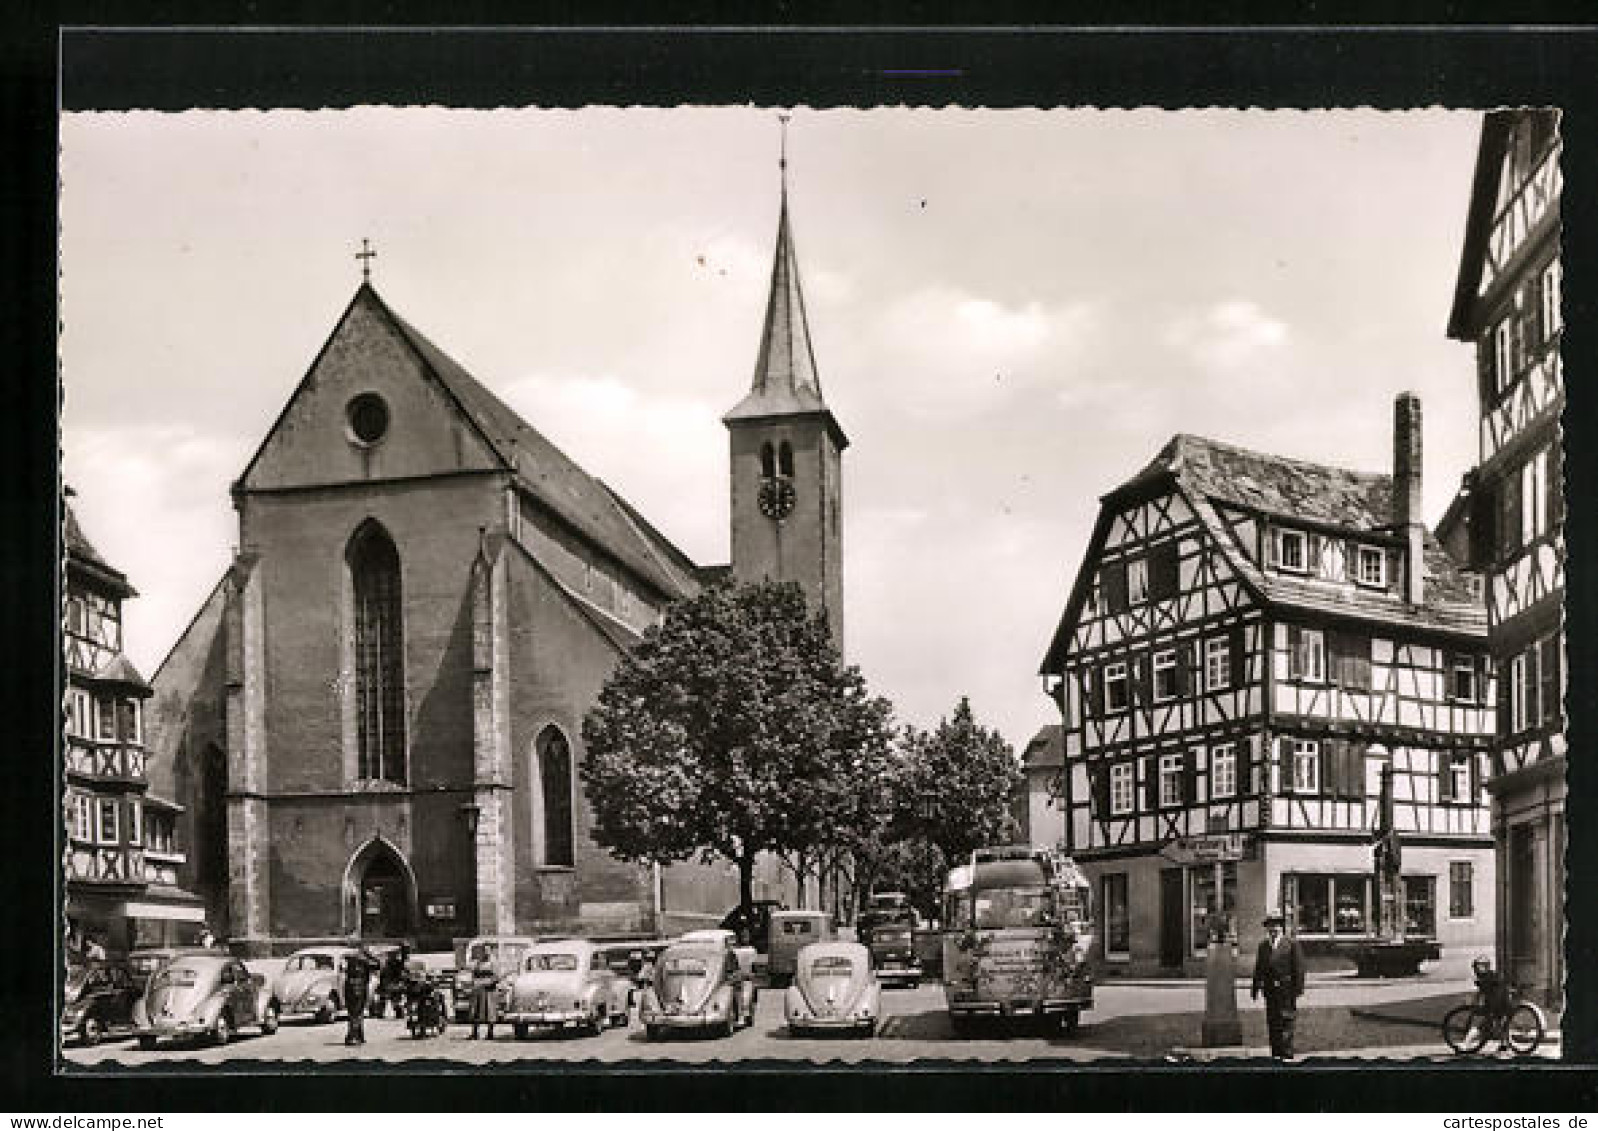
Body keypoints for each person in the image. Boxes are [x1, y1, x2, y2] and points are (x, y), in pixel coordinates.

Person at [1250, 912, 1306, 1061]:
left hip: (1286, 989)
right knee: (1273, 1020)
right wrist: (1255, 987)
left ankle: (1286, 1053)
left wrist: (1298, 989)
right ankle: (1275, 1052)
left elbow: (1299, 968)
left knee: (1286, 1020)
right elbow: (1259, 968)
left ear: (1281, 927)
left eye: (1276, 925)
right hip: (1270, 990)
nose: (1273, 929)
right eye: (1270, 926)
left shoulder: (1291, 944)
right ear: (1267, 928)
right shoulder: (1263, 946)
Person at [1465, 956, 1513, 1050]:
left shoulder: (1484, 979)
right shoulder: (1494, 975)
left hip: (1495, 1004)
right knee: (1501, 1022)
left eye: (1476, 968)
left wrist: (1474, 1003)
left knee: (1483, 1025)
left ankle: (1466, 1043)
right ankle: (1504, 1044)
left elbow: (1481, 993)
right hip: (1505, 1002)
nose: (1476, 971)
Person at [342, 941, 377, 1046]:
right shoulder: (363, 960)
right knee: (357, 1012)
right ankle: (353, 1036)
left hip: (350, 986)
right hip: (359, 987)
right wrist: (370, 955)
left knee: (354, 1012)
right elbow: (377, 965)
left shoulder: (349, 958)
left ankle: (358, 1035)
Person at [467, 950, 499, 1040]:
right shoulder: (478, 963)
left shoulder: (493, 962)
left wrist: (487, 982)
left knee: (490, 1011)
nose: (485, 953)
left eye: (487, 950)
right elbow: (474, 974)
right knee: (475, 1011)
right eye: (484, 951)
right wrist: (474, 983)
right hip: (478, 990)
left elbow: (496, 977)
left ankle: (490, 1033)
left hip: (489, 990)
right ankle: (474, 1033)